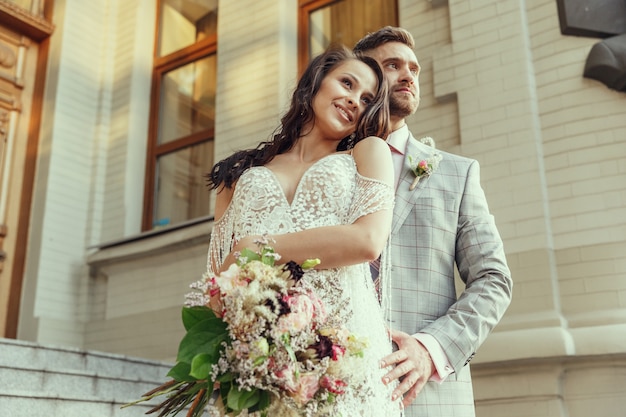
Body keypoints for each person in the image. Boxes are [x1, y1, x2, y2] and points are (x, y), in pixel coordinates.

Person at [205, 45, 402, 416]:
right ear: (315, 82)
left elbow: (367, 241)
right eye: (346, 83)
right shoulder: (237, 173)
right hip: (258, 355)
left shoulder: (367, 153)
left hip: (343, 349)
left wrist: (258, 247)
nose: (354, 101)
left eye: (366, 99)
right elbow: (216, 283)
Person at [353, 26, 513, 417]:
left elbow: (493, 280)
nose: (408, 75)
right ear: (364, 77)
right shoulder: (326, 167)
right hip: (335, 390)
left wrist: (430, 348)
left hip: (428, 399)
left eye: (414, 68)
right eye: (392, 65)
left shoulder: (457, 174)